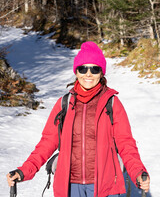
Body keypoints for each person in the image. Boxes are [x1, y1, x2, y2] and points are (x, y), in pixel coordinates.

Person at [7, 41, 150, 197]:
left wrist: (138, 171)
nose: (88, 74)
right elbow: (47, 142)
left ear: (101, 73)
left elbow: (126, 143)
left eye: (95, 69)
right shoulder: (65, 104)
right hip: (70, 186)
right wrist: (24, 171)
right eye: (83, 68)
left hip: (104, 185)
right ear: (76, 72)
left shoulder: (112, 103)